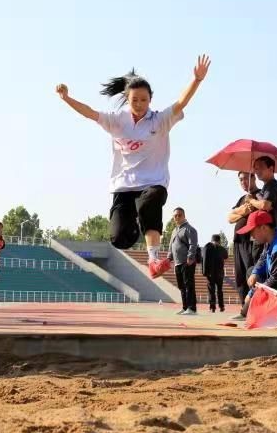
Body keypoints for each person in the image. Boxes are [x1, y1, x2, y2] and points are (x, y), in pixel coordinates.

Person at [56, 55, 211, 278]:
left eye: (144, 100)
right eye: (134, 100)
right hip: (124, 185)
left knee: (149, 202)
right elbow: (90, 112)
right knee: (119, 239)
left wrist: (197, 80)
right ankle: (139, 221)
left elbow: (181, 103)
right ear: (127, 100)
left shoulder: (160, 120)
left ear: (150, 100)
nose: (139, 105)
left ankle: (153, 259)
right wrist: (66, 98)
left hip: (153, 182)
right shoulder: (117, 120)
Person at [227, 172, 262, 307]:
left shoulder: (259, 195)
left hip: (251, 241)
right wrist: (242, 211)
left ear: (253, 177)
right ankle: (244, 307)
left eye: (246, 179)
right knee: (239, 277)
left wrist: (243, 211)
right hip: (238, 241)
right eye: (240, 180)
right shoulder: (242, 198)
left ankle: (254, 307)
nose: (243, 182)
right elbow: (229, 218)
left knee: (250, 274)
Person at [167, 207, 199, 315]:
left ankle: (192, 308)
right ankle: (185, 307)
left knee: (189, 285)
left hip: (187, 262)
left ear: (184, 216)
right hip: (177, 262)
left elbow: (193, 244)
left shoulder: (190, 229)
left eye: (179, 215)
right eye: (175, 216)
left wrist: (190, 256)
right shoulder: (174, 231)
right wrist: (169, 257)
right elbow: (171, 246)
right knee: (181, 286)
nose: (177, 217)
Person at [202, 234, 229, 313]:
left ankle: (212, 307)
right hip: (220, 273)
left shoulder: (208, 247)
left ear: (212, 240)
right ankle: (221, 306)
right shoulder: (222, 249)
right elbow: (226, 256)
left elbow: (204, 259)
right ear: (219, 241)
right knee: (220, 290)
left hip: (210, 273)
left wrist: (205, 272)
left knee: (211, 290)